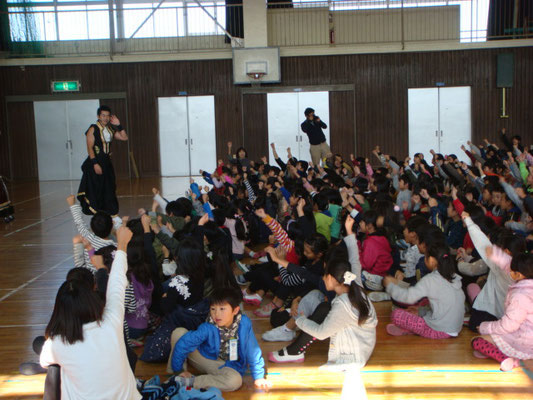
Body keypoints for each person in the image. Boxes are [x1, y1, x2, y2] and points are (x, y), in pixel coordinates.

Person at [40, 227, 141, 400]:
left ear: (60, 310)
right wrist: (122, 244)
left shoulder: (57, 342)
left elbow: (44, 361)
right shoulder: (112, 321)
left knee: (54, 366)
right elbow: (117, 281)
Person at [168, 288, 270, 392]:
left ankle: (187, 382)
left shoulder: (244, 324)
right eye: (213, 309)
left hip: (226, 365)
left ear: (235, 310)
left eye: (222, 309)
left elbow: (253, 351)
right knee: (179, 333)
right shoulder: (208, 326)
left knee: (235, 381)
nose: (217, 314)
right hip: (205, 358)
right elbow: (185, 343)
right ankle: (177, 376)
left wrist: (258, 377)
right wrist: (178, 370)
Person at [383, 242, 465, 339]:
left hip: (439, 330)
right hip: (456, 328)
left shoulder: (430, 279)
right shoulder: (454, 277)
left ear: (431, 260)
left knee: (396, 314)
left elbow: (408, 298)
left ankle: (410, 329)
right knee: (424, 302)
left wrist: (390, 286)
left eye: (425, 257)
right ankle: (410, 328)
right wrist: (421, 311)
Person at [471, 248, 533, 372]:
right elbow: (507, 263)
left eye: (512, 270)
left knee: (476, 341)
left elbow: (508, 326)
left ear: (519, 275)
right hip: (527, 339)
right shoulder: (526, 281)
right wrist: (495, 254)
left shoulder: (519, 296)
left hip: (522, 342)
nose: (509, 271)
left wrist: (484, 327)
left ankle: (508, 359)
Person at [77, 105, 128, 217]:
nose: (105, 118)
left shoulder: (110, 129)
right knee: (96, 188)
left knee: (109, 187)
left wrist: (119, 125)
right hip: (95, 162)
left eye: (107, 116)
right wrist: (95, 164)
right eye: (103, 115)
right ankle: (97, 214)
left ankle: (109, 213)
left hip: (106, 163)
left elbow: (124, 137)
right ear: (98, 116)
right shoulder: (93, 128)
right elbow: (90, 147)